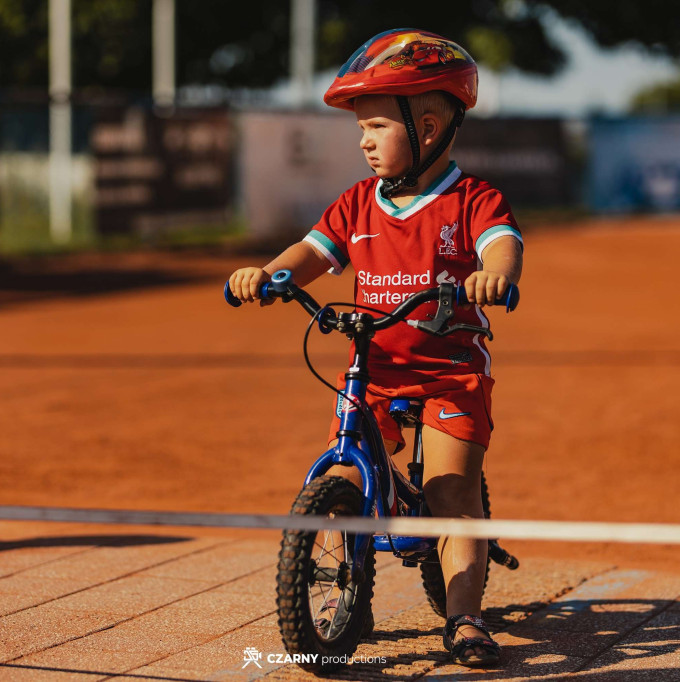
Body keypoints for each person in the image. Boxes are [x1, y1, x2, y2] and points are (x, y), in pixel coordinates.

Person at [227, 29, 523, 668]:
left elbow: (502, 241)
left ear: (432, 123)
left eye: (378, 125)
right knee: (345, 471)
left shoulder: (471, 200)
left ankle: (466, 617)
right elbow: (312, 253)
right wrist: (269, 274)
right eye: (360, 128)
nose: (363, 140)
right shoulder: (359, 204)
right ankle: (352, 589)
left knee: (450, 492)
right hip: (376, 369)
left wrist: (495, 274)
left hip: (449, 373)